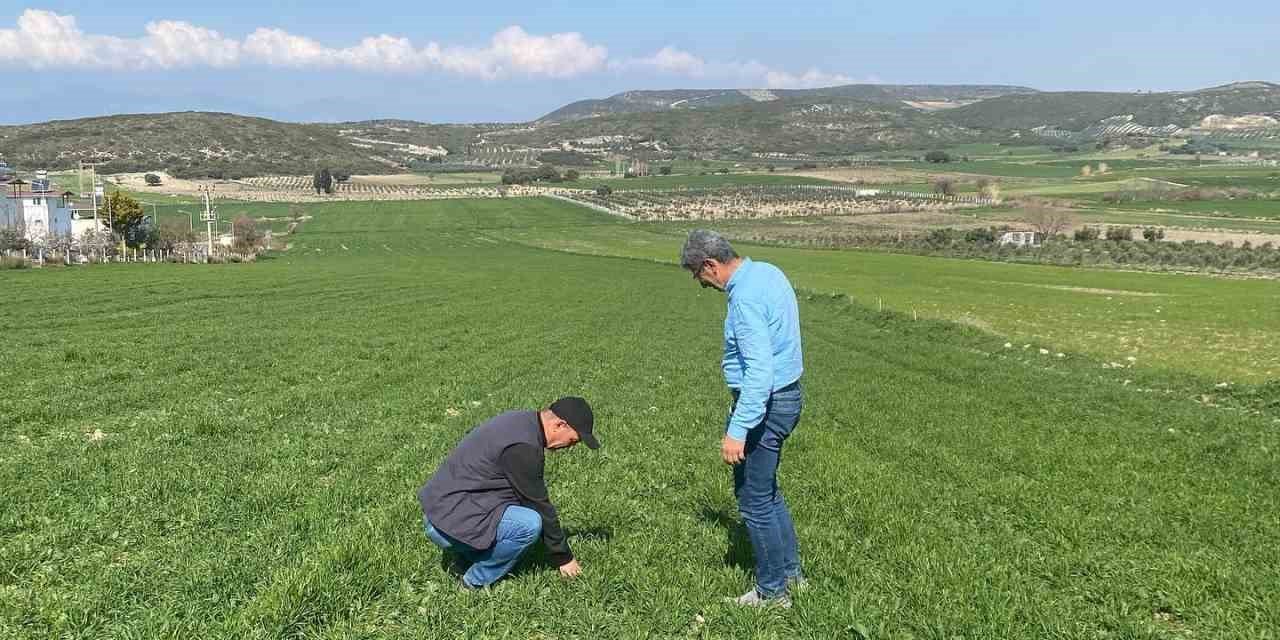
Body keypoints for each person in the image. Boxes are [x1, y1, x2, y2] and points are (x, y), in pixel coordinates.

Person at [681, 229, 805, 608]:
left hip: (765, 405)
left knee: (753, 500)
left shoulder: (746, 298)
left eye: (698, 275)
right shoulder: (768, 271)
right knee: (766, 492)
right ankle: (792, 576)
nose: (701, 285)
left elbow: (759, 373)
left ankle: (772, 593)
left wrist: (737, 430)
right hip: (788, 397)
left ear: (710, 265)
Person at [417, 396, 598, 588]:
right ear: (560, 425)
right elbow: (539, 504)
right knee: (529, 524)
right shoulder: (524, 447)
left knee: (516, 507)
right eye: (572, 441)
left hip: (439, 510)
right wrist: (564, 558)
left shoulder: (520, 421)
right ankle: (473, 582)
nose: (569, 447)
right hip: (443, 524)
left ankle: (464, 560)